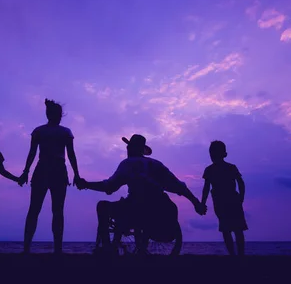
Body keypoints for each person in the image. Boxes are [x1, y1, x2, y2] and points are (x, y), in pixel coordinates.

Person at [77, 134, 207, 254]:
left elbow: (109, 186)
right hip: (159, 206)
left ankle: (107, 247)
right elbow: (178, 186)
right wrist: (196, 203)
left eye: (128, 147)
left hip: (136, 208)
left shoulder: (128, 164)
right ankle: (141, 247)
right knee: (137, 206)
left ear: (131, 148)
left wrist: (87, 184)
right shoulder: (156, 164)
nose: (127, 149)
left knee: (103, 206)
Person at [19, 99, 81, 254]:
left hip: (44, 169)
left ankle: (27, 248)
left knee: (34, 209)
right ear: (58, 115)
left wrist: (26, 171)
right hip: (57, 170)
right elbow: (71, 155)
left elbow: (32, 154)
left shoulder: (40, 131)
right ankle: (57, 249)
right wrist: (77, 174)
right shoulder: (64, 132)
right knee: (57, 210)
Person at [201, 140, 248, 256]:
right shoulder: (212, 169)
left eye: (214, 152)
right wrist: (202, 203)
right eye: (211, 152)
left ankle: (236, 254)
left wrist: (241, 198)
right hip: (223, 202)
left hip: (228, 201)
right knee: (231, 229)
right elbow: (206, 188)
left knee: (232, 229)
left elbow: (241, 183)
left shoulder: (227, 168)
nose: (212, 155)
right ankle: (236, 255)